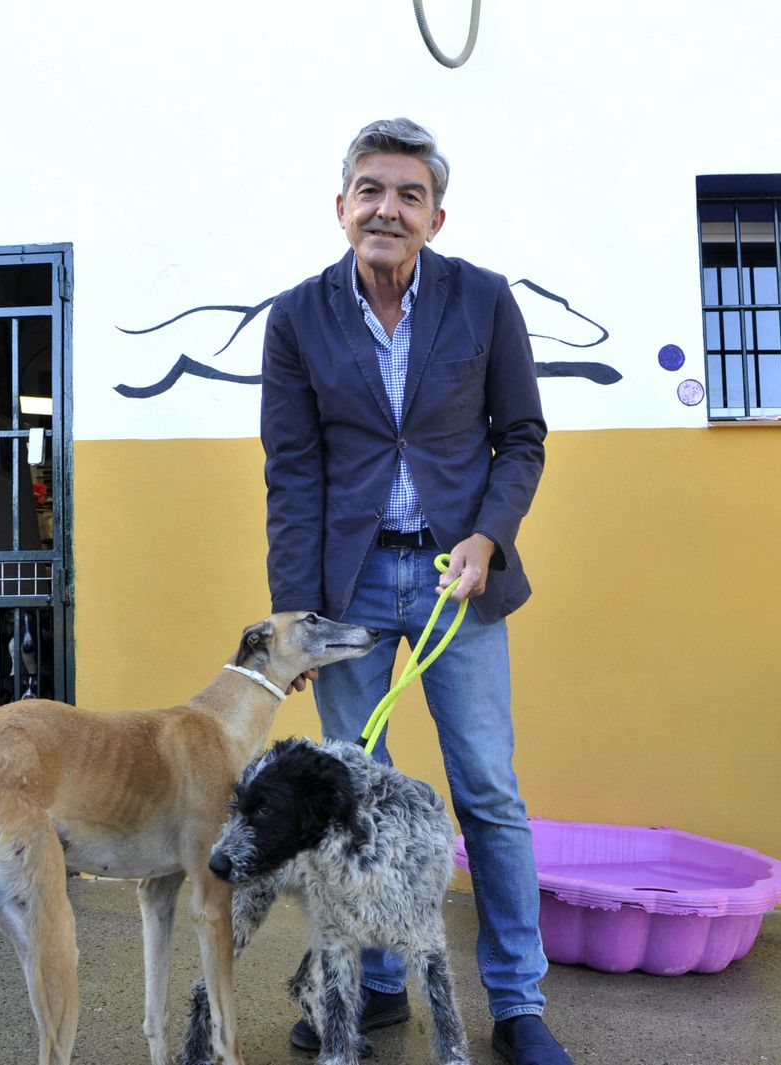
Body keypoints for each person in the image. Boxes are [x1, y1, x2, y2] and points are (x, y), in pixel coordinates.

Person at [260, 117, 571, 1065]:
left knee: (488, 791)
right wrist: (295, 622)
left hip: (455, 583)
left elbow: (521, 437)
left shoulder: (483, 301)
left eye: (407, 193)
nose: (386, 207)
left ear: (436, 214)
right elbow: (292, 472)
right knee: (357, 799)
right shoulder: (297, 316)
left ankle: (518, 1004)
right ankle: (377, 988)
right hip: (348, 594)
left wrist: (487, 536)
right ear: (342, 205)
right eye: (370, 189)